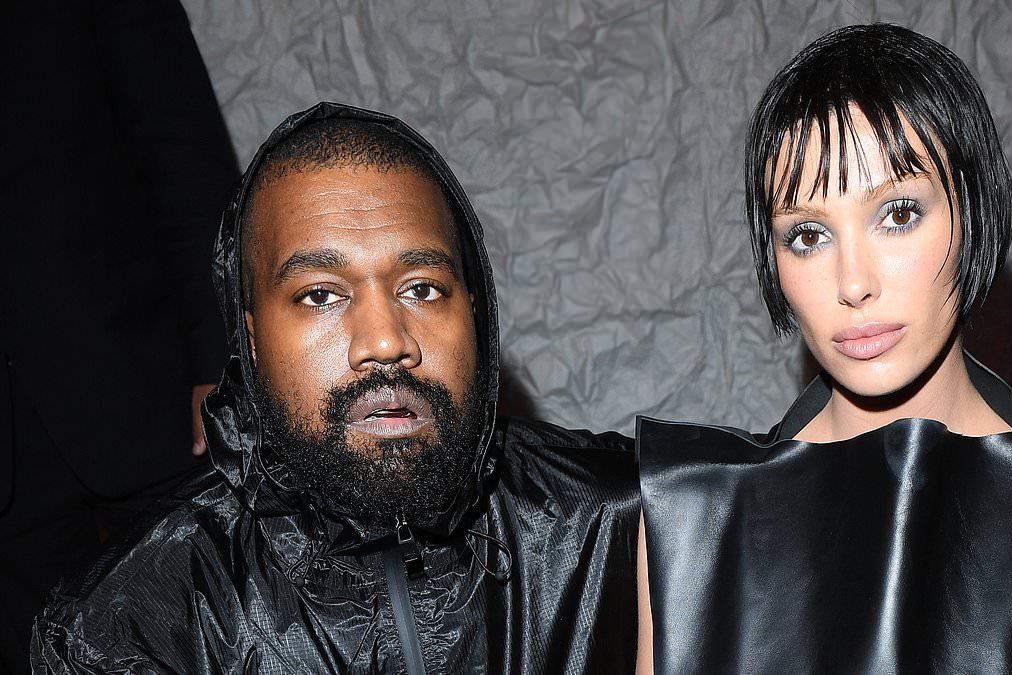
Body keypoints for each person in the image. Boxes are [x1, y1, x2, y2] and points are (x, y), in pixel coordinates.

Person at [32, 103, 639, 673]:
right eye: (321, 294)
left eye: (422, 288)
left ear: (475, 314)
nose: (385, 341)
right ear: (250, 339)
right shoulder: (126, 630)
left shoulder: (636, 520)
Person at [635, 24, 1012, 674]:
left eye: (899, 214)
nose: (853, 282)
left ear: (976, 210)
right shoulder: (692, 509)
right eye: (808, 235)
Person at [0, 1, 239, 672]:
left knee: (217, 644)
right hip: (12, 498)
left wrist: (221, 355)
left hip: (145, 383)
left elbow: (180, 140)